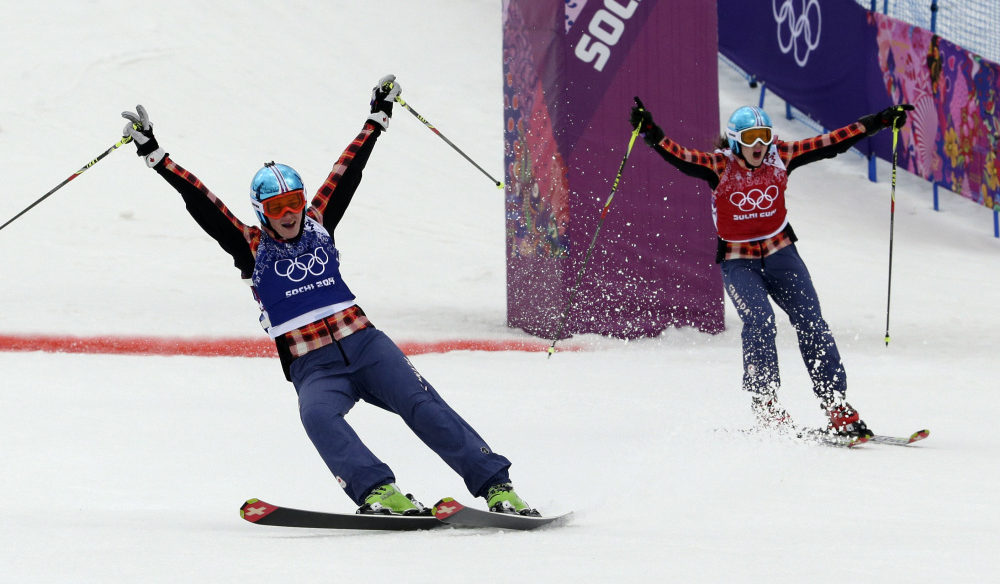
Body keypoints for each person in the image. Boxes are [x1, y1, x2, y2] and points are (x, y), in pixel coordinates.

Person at [120, 74, 538, 516]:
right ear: (262, 212)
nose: (289, 214)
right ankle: (378, 491)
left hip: (365, 343)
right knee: (316, 416)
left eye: (295, 202)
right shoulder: (249, 245)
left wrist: (377, 118)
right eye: (277, 208)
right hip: (312, 363)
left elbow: (348, 169)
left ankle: (497, 487)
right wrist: (155, 154)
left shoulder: (319, 220)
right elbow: (201, 200)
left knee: (420, 403)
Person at [628, 98, 912, 438]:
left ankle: (835, 403)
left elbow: (832, 142)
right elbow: (682, 158)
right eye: (750, 138)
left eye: (763, 136)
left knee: (811, 321)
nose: (759, 145)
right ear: (735, 141)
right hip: (738, 259)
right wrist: (653, 134)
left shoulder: (781, 156)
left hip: (781, 253)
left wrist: (878, 121)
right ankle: (766, 404)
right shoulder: (720, 165)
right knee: (759, 321)